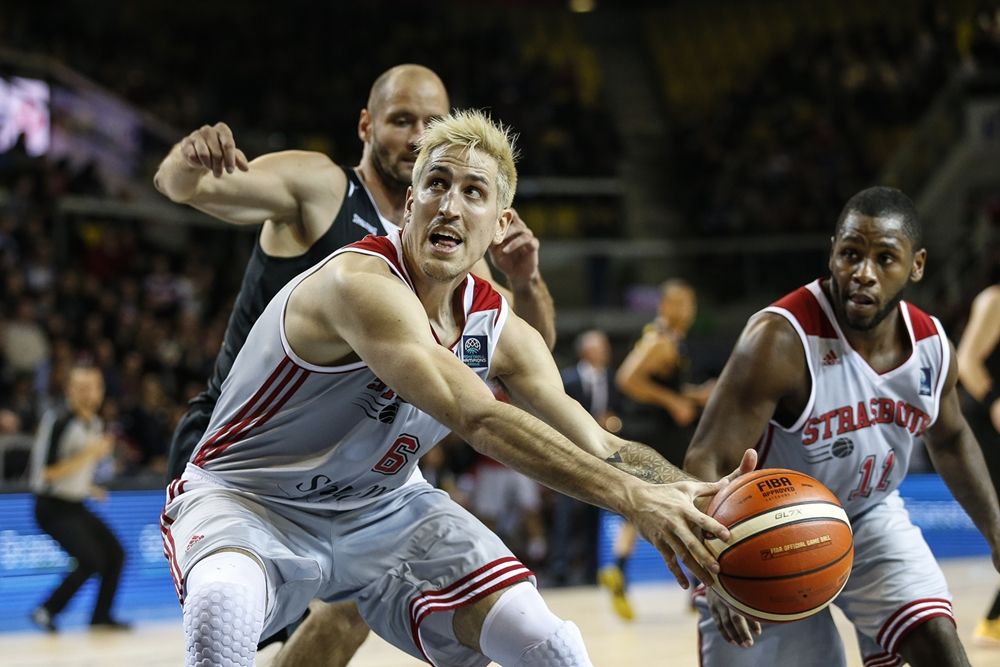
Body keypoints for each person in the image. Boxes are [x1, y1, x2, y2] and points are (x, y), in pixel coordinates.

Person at [162, 110, 756, 667]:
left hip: (383, 506)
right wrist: (632, 500)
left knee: (551, 644)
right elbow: (479, 419)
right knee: (221, 611)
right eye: (437, 185)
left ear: (500, 223)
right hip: (250, 496)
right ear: (409, 204)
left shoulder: (500, 328)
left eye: (473, 192)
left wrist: (699, 505)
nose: (449, 205)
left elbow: (603, 446)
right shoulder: (358, 282)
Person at [154, 64, 556, 665]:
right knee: (238, 620)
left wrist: (527, 282)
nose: (418, 136)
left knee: (348, 614)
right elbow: (181, 186)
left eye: (432, 123)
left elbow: (526, 358)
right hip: (251, 447)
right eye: (401, 121)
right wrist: (190, 157)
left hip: (353, 457)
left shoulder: (447, 239)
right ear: (366, 126)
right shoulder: (321, 187)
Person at [684, 186, 1000, 667]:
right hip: (763, 528)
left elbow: (952, 439)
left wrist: (996, 534)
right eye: (851, 254)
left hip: (870, 514)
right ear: (833, 252)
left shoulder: (932, 345)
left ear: (916, 266)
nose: (863, 273)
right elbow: (706, 458)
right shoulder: (780, 338)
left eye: (885, 258)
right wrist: (714, 570)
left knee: (938, 639)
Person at [599, 280, 714, 619]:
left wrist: (693, 394)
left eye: (691, 303)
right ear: (664, 306)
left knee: (642, 510)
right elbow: (627, 378)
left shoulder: (670, 340)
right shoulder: (659, 340)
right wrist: (674, 401)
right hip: (656, 437)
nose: (688, 311)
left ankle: (619, 570)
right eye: (681, 303)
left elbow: (660, 383)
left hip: (657, 436)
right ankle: (699, 585)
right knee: (691, 502)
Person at [28, 364, 129, 633]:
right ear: (69, 390)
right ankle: (46, 610)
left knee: (116, 553)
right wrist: (91, 453)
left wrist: (89, 488)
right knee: (91, 559)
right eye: (82, 388)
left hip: (75, 504)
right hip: (51, 507)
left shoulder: (94, 423)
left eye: (94, 387)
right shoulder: (59, 420)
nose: (89, 394)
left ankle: (101, 617)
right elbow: (48, 472)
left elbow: (73, 470)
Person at [550, 329, 619, 587]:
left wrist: (613, 421)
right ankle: (560, 567)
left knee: (595, 510)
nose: (605, 352)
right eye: (600, 347)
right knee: (565, 512)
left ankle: (592, 568)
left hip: (600, 455)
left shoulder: (612, 379)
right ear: (585, 351)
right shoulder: (567, 379)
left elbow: (620, 411)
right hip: (570, 453)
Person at [957, 283, 1000, 645]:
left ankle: (995, 619)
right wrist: (994, 401)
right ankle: (994, 620)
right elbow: (966, 360)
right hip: (989, 425)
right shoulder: (994, 300)